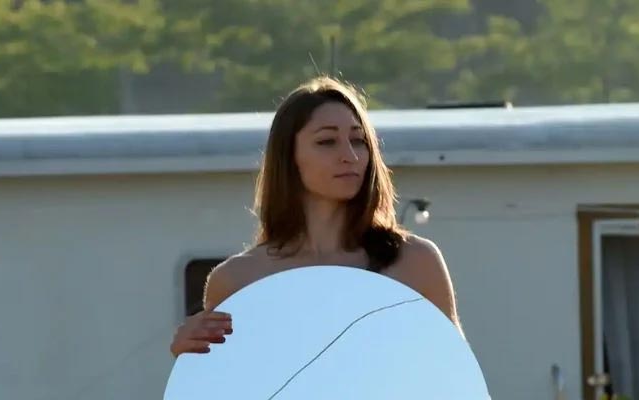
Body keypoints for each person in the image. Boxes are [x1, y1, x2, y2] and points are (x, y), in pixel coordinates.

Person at [170, 76, 464, 358]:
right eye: (327, 142)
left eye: (358, 141)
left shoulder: (414, 261)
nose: (350, 155)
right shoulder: (238, 279)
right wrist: (189, 358)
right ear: (290, 157)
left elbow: (457, 379)